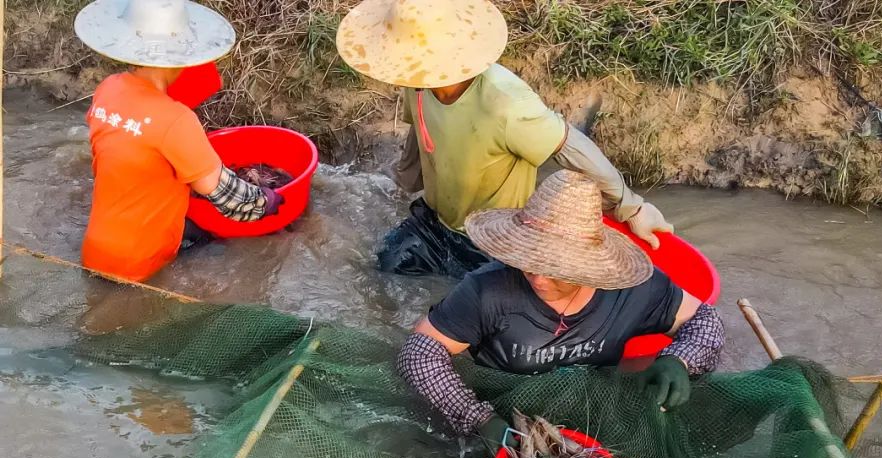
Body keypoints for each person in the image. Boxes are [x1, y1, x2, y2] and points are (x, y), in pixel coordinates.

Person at [335, 0, 674, 278]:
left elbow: (571, 147)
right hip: (436, 223)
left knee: (482, 319)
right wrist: (406, 177)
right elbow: (421, 131)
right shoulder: (419, 81)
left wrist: (632, 206)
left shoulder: (505, 102)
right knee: (382, 270)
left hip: (495, 242)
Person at [397, 170, 725, 449]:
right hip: (507, 415)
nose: (536, 275)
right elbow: (420, 353)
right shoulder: (488, 291)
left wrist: (679, 360)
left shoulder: (633, 289)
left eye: (554, 267)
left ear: (588, 265)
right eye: (529, 258)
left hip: (593, 418)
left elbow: (705, 320)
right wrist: (480, 421)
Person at [74, 0, 284, 282]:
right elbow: (226, 199)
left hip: (95, 251)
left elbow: (135, 153)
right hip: (140, 265)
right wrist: (268, 201)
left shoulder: (108, 89)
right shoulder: (176, 120)